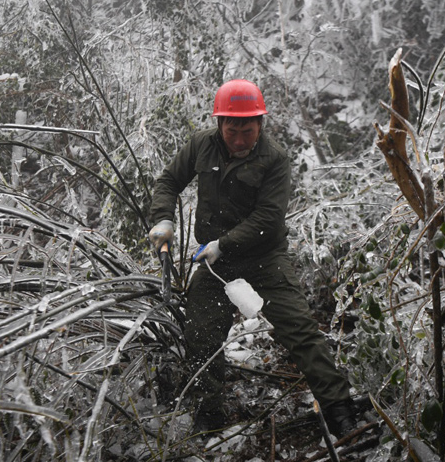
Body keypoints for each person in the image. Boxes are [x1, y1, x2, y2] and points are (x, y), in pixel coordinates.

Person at [147, 79, 359, 437]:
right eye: (233, 131)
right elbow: (168, 181)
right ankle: (208, 414)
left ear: (260, 123)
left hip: (264, 258)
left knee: (301, 331)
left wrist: (222, 245)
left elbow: (268, 218)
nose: (241, 140)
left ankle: (340, 411)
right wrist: (163, 219)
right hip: (215, 263)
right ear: (220, 125)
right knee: (200, 334)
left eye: (248, 130)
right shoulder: (201, 145)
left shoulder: (274, 159)